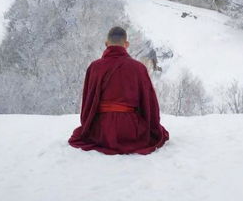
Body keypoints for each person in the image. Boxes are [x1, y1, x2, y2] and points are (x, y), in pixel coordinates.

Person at [68, 26, 169, 155]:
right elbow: (150, 104)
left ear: (106, 44)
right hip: (131, 130)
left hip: (102, 131)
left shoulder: (95, 67)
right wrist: (153, 128)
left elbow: (88, 104)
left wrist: (88, 128)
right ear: (126, 44)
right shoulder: (138, 68)